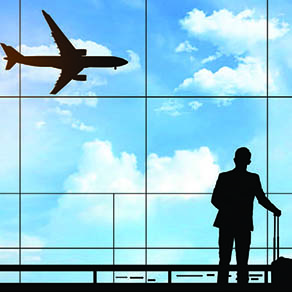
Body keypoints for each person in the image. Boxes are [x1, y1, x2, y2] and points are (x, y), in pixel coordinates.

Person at [211, 147, 281, 285]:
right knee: (242, 260)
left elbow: (215, 199)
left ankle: (222, 286)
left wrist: (228, 209)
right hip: (242, 223)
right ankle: (242, 286)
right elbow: (262, 199)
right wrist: (275, 210)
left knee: (225, 258)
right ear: (249, 161)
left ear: (235, 160)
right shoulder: (252, 179)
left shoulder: (225, 177)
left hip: (227, 222)